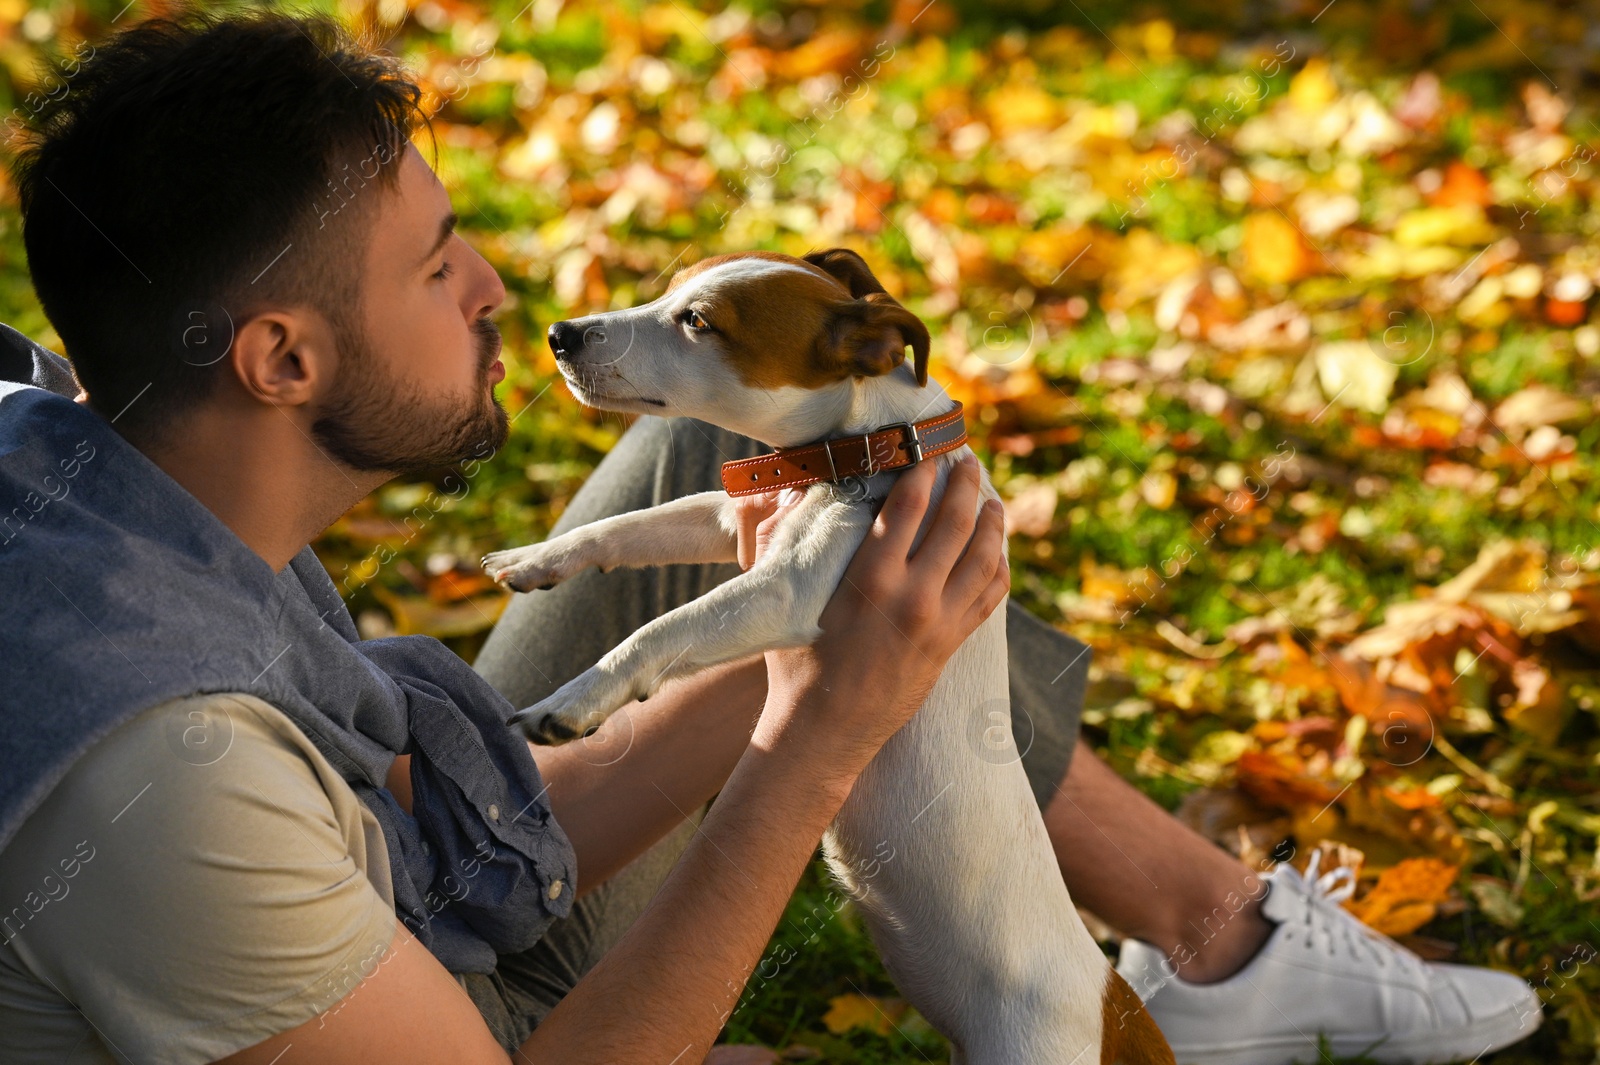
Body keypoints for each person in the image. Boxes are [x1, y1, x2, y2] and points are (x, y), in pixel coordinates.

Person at [0, 11, 1540, 1065]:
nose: (493, 293)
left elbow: (444, 824)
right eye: (432, 269)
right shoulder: (164, 780)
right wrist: (816, 742)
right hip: (419, 1013)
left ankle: (1217, 939)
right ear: (281, 359)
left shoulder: (122, 472)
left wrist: (830, 644)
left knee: (785, 466)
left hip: (414, 903)